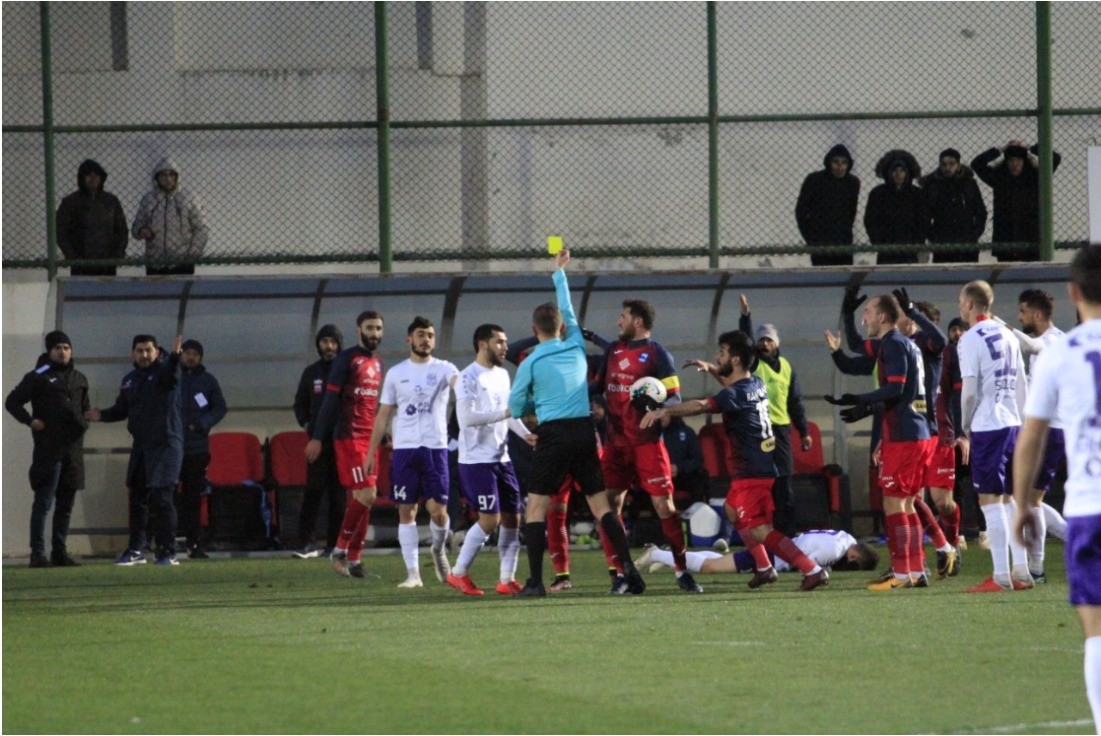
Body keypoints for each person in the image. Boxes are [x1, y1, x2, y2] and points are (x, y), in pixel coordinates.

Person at [508, 248, 646, 597]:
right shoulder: (574, 347)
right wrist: (559, 272)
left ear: (532, 330)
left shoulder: (530, 363)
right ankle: (628, 571)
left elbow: (515, 405)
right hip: (585, 432)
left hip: (553, 433)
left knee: (537, 507)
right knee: (601, 505)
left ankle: (537, 582)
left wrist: (534, 404)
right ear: (563, 328)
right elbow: (568, 307)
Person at [648, 330, 829, 591]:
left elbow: (701, 405)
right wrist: (712, 368)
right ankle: (764, 568)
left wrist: (664, 409)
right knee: (733, 511)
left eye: (721, 353)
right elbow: (730, 389)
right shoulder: (754, 384)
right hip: (759, 467)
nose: (717, 356)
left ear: (734, 360)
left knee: (762, 530)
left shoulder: (736, 393)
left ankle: (812, 570)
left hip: (752, 472)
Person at [1011, 245, 1101, 733]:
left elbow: (1031, 438)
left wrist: (1024, 505)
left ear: (1072, 292)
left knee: (1097, 636)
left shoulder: (1059, 352)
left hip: (1089, 509)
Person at [591, 298, 702, 594]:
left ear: (638, 322)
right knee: (607, 505)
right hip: (616, 443)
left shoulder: (657, 355)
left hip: (646, 444)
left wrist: (659, 408)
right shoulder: (613, 351)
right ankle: (621, 574)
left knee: (664, 506)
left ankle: (682, 572)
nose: (619, 322)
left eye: (622, 316)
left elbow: (675, 397)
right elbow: (597, 388)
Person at [824, 294, 932, 590]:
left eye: (867, 313)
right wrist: (847, 314)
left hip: (904, 434)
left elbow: (895, 388)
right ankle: (914, 570)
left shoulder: (895, 344)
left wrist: (862, 399)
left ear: (882, 317)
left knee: (894, 503)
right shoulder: (900, 343)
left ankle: (901, 573)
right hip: (914, 432)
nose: (864, 318)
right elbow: (857, 349)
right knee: (906, 504)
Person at [365, 316, 459, 589]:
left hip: (435, 448)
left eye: (430, 335)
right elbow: (383, 415)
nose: (426, 339)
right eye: (420, 335)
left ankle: (439, 549)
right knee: (406, 510)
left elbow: (459, 384)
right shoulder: (396, 373)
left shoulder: (444, 368)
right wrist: (371, 453)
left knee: (438, 512)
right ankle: (413, 574)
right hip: (404, 449)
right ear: (409, 339)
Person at [447, 324, 534, 596]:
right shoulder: (467, 377)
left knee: (512, 519)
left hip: (501, 457)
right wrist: (504, 413)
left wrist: (526, 434)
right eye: (499, 342)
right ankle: (458, 573)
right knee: (490, 519)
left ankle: (506, 580)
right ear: (482, 344)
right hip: (476, 461)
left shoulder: (503, 375)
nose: (505, 347)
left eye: (505, 342)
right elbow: (467, 419)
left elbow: (510, 414)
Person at [956, 280, 1031, 592]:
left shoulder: (969, 339)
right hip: (1013, 423)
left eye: (961, 301)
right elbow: (1022, 383)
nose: (959, 307)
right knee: (1011, 499)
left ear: (971, 305)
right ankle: (1023, 571)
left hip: (988, 424)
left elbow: (970, 391)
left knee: (989, 500)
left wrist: (965, 423)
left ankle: (1001, 576)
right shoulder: (1009, 334)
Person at [86, 334, 184, 566]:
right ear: (133, 353)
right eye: (139, 351)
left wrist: (176, 357)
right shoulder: (129, 379)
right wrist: (102, 416)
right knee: (138, 498)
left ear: (157, 352)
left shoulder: (165, 371)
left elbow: (171, 374)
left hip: (165, 445)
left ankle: (167, 551)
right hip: (141, 447)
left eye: (148, 350)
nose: (144, 355)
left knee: (162, 499)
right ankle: (136, 550)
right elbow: (122, 409)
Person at [306, 312, 385, 579]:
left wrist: (381, 434)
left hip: (369, 437)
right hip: (349, 436)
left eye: (378, 328)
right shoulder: (346, 359)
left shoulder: (378, 364)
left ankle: (355, 560)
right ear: (358, 331)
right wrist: (317, 437)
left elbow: (373, 405)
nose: (374, 333)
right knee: (368, 494)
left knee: (363, 499)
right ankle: (339, 550)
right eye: (369, 328)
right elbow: (329, 401)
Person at [890, 290, 960, 579]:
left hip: (941, 433)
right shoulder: (904, 350)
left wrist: (962, 433)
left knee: (942, 501)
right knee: (910, 499)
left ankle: (952, 546)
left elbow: (957, 396)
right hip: (915, 433)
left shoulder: (944, 351)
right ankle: (915, 562)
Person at [5, 331, 90, 567]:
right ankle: (38, 553)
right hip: (49, 450)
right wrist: (30, 420)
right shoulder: (38, 376)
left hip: (73, 451)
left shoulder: (80, 378)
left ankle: (59, 552)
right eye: (57, 348)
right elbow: (12, 401)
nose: (62, 352)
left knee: (65, 505)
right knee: (43, 503)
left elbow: (85, 409)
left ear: (71, 351)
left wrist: (85, 422)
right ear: (49, 351)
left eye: (66, 347)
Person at [998, 288, 1066, 582]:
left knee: (1031, 501)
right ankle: (1070, 536)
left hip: (1051, 430)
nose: (1019, 317)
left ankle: (1037, 568)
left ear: (1037, 315)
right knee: (1025, 498)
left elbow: (1030, 346)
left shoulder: (1053, 340)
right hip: (1043, 429)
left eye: (1023, 312)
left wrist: (1001, 326)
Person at [738, 295, 813, 537]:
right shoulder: (754, 364)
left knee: (784, 483)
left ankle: (787, 532)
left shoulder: (787, 367)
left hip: (781, 430)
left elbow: (795, 402)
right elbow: (746, 344)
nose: (764, 344)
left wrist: (803, 431)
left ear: (776, 343)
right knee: (762, 482)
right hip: (760, 429)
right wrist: (746, 318)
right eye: (761, 340)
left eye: (768, 340)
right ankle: (762, 530)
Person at [292, 324, 346, 558]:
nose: (329, 346)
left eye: (333, 342)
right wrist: (308, 427)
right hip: (317, 443)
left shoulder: (347, 371)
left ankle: (334, 545)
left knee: (338, 496)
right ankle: (306, 542)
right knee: (313, 493)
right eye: (325, 342)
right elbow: (299, 404)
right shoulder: (311, 372)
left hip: (341, 443)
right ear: (319, 345)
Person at [637, 528, 878, 576]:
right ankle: (656, 554)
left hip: (780, 545)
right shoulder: (835, 550)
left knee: (720, 562)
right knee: (712, 567)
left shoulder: (848, 538)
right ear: (855, 556)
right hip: (775, 556)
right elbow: (805, 567)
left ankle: (667, 556)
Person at [177, 339, 227, 559]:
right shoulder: (172, 377)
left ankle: (194, 543)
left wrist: (202, 423)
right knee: (166, 495)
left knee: (193, 498)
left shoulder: (207, 381)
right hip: (171, 446)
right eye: (187, 352)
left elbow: (220, 407)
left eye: (195, 354)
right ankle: (165, 541)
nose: (190, 357)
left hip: (196, 448)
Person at [971, 140, 1062, 262]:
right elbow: (976, 164)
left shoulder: (1035, 178)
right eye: (1011, 160)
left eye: (1018, 160)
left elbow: (1055, 158)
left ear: (1024, 162)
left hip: (1031, 238)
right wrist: (1000, 149)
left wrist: (1031, 148)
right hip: (1005, 237)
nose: (1015, 164)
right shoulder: (999, 178)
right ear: (1006, 162)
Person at [131, 157, 208, 276]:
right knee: (157, 294)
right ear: (156, 178)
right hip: (155, 262)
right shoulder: (149, 200)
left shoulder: (189, 199)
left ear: (177, 177)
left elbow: (201, 229)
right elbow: (136, 225)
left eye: (171, 175)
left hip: (182, 262)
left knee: (181, 294)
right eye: (163, 175)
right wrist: (141, 230)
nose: (168, 179)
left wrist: (191, 256)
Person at [55, 159, 129, 276]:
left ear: (101, 178)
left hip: (107, 263)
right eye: (88, 174)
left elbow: (121, 230)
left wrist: (117, 255)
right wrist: (73, 257)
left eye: (96, 174)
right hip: (80, 264)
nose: (93, 178)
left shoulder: (111, 201)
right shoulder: (70, 202)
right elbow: (60, 231)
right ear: (82, 178)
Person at [795, 144, 860, 266]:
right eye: (836, 162)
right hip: (820, 242)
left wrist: (845, 234)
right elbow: (801, 212)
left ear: (849, 164)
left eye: (844, 162)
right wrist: (811, 240)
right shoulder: (814, 180)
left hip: (843, 243)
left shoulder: (852, 183)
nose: (840, 167)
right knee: (823, 277)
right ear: (829, 163)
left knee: (844, 277)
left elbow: (851, 212)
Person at [920, 148, 987, 263]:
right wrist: (933, 237)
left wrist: (975, 234)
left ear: (958, 165)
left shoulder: (969, 184)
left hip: (967, 242)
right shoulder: (932, 186)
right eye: (944, 164)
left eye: (951, 164)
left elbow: (981, 211)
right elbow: (924, 214)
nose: (947, 168)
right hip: (942, 243)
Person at [863, 149, 928, 264]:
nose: (898, 174)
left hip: (910, 250)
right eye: (895, 170)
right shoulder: (877, 194)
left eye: (902, 170)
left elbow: (923, 221)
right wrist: (879, 244)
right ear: (888, 172)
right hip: (886, 250)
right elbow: (870, 220)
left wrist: (916, 244)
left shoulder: (917, 194)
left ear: (908, 172)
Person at [660, 414, 707, 505]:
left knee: (698, 481)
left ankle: (696, 514)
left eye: (664, 414)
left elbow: (697, 460)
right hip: (658, 477)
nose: (660, 417)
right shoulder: (650, 434)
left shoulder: (687, 432)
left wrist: (678, 467)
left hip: (682, 475)